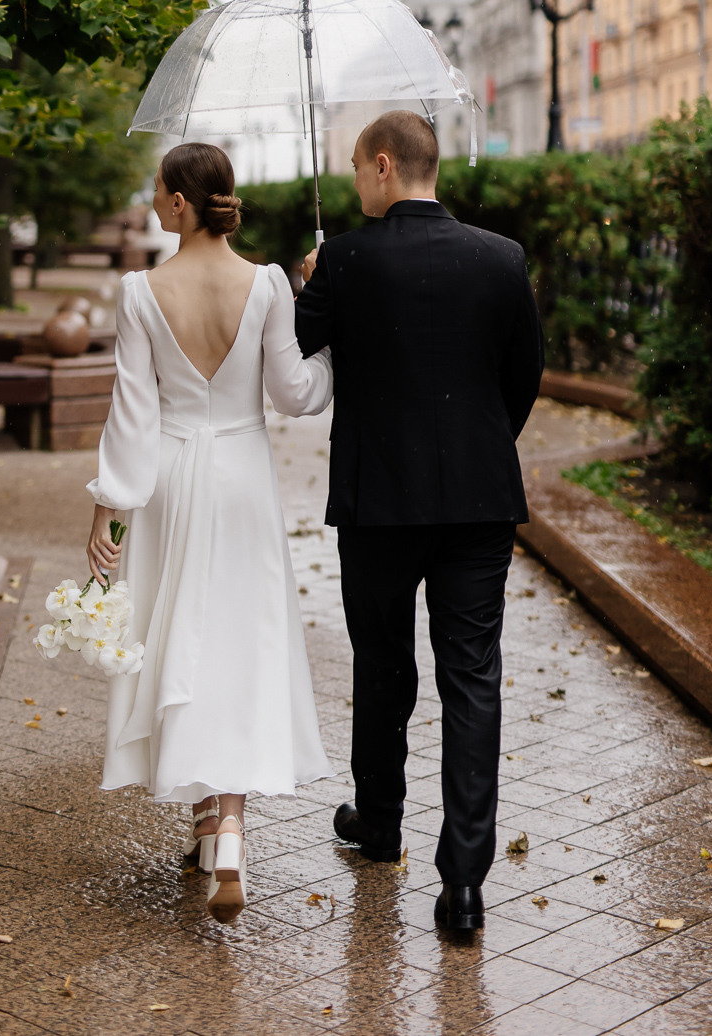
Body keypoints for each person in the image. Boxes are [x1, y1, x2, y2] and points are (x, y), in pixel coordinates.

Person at [294, 110, 544, 935]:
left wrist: (311, 280)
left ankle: (380, 826)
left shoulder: (348, 258)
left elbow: (303, 344)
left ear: (383, 164)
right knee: (471, 679)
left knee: (383, 665)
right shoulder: (502, 258)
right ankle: (464, 884)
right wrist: (475, 449)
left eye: (358, 169)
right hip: (479, 501)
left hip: (379, 501)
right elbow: (523, 376)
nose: (358, 183)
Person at [85, 142, 333, 923]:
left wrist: (109, 505)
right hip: (242, 478)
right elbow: (295, 394)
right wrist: (330, 341)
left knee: (180, 639)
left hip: (166, 480)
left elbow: (134, 412)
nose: (155, 200)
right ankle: (224, 824)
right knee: (236, 640)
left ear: (184, 203)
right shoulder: (267, 284)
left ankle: (209, 823)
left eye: (161, 191)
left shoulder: (139, 291)